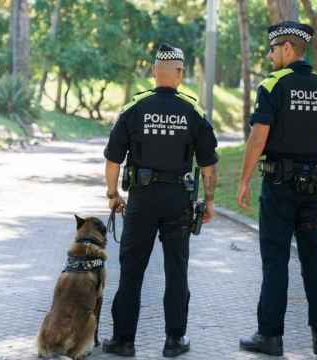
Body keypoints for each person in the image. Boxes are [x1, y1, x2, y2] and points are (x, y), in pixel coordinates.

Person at [102, 44, 219, 358]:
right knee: (176, 270)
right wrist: (208, 202)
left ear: (155, 71)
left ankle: (124, 341)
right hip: (178, 201)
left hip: (141, 200)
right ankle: (174, 340)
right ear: (180, 73)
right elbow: (208, 165)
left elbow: (113, 160)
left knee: (132, 271)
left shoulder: (133, 109)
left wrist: (113, 195)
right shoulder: (194, 111)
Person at [236, 21, 317, 356]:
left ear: (286, 49)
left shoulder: (273, 85)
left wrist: (243, 179)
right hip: (312, 188)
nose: (270, 56)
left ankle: (270, 337)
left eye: (272, 49)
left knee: (275, 259)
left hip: (279, 188)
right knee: (312, 258)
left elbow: (258, 137)